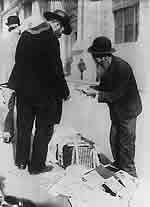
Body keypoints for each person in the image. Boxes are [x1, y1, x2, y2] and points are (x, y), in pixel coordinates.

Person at [8, 10, 72, 174]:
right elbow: (56, 70)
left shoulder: (26, 34)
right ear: (57, 24)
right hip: (44, 94)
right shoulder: (51, 39)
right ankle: (36, 166)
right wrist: (64, 91)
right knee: (43, 129)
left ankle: (21, 161)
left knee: (24, 126)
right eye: (61, 31)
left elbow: (18, 61)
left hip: (23, 91)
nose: (60, 35)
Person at [86, 36, 142, 177]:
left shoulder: (122, 67)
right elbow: (105, 87)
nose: (97, 60)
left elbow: (117, 93)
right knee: (114, 140)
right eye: (95, 57)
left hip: (128, 112)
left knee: (126, 145)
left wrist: (97, 95)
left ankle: (130, 174)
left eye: (99, 57)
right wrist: (93, 89)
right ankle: (119, 165)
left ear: (107, 56)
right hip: (117, 112)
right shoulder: (105, 67)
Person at [0, 16, 21, 141]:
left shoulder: (2, 40)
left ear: (8, 26)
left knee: (9, 107)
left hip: (5, 79)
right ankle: (23, 132)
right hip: (21, 78)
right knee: (23, 107)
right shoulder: (22, 38)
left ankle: (8, 132)